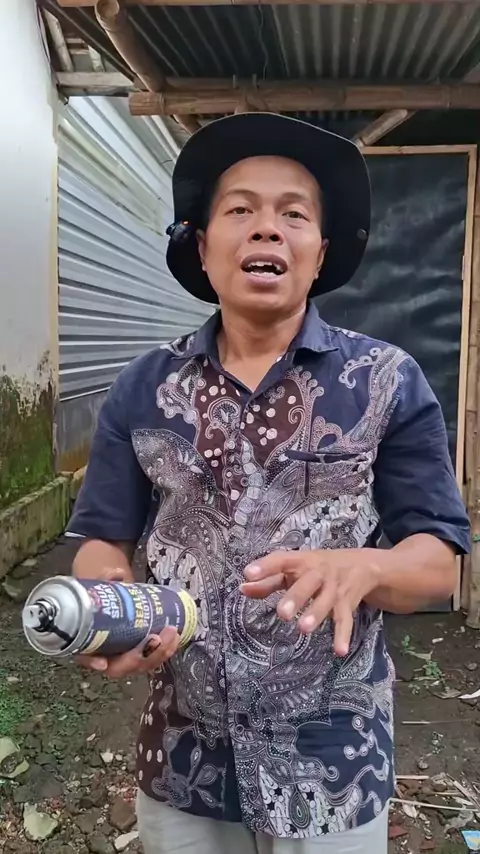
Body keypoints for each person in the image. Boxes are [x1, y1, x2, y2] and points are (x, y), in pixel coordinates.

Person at [68, 113, 470, 854]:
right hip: (184, 761)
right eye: (240, 209)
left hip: (334, 765)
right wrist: (106, 606)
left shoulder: (387, 381)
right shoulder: (143, 388)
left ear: (320, 253)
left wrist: (364, 568)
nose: (266, 228)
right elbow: (102, 539)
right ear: (202, 246)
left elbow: (438, 564)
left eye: (294, 214)